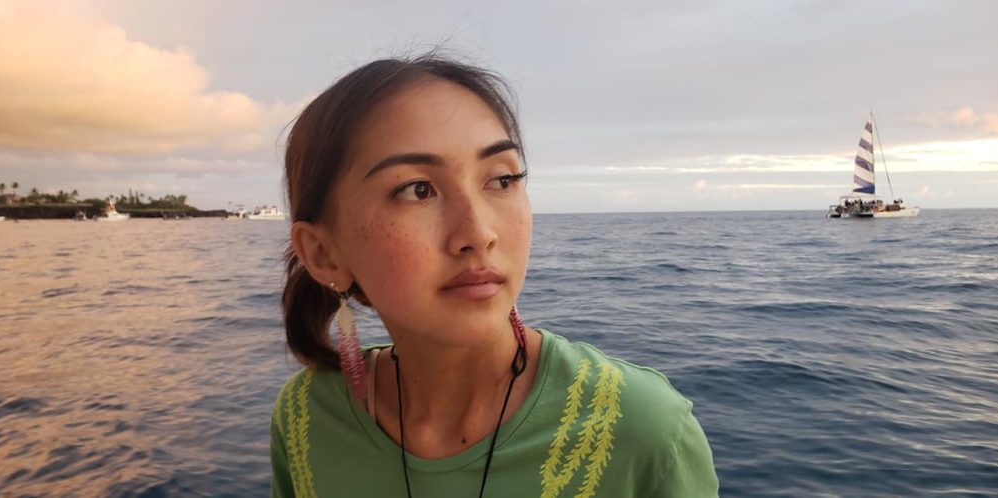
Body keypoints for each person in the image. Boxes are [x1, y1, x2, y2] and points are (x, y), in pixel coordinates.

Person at [271, 53, 718, 498]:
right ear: (324, 254)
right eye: (418, 190)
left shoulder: (643, 431)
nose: (479, 233)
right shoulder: (305, 417)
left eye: (502, 180)